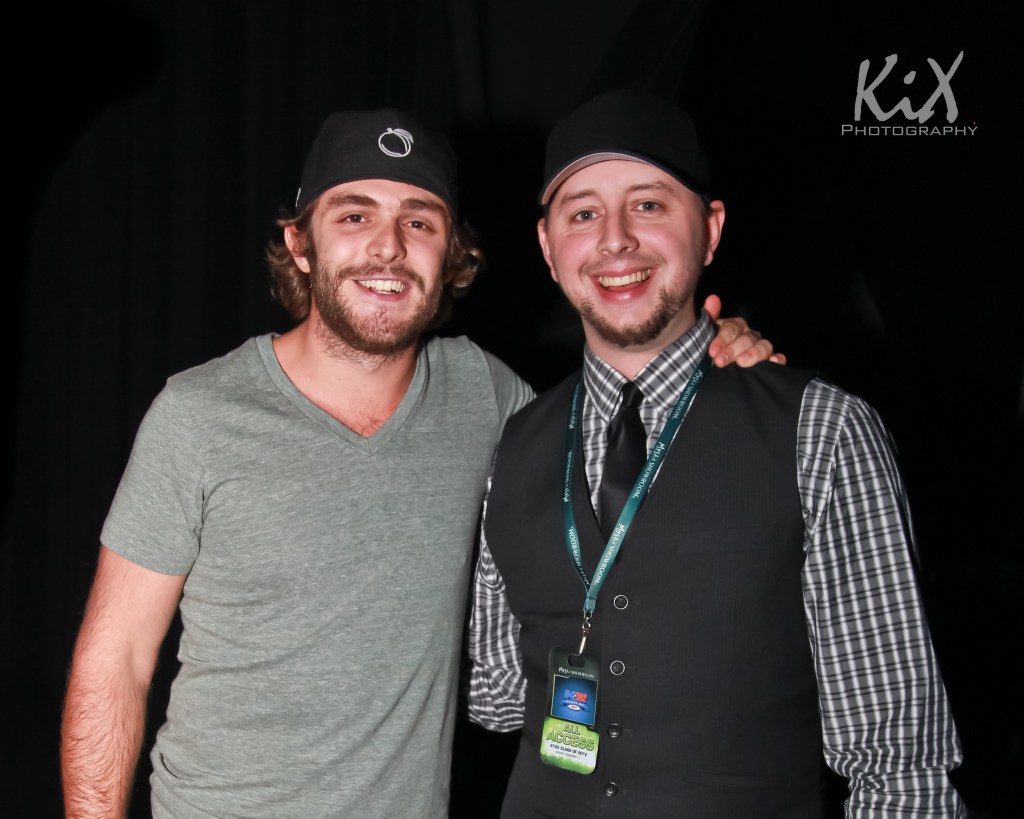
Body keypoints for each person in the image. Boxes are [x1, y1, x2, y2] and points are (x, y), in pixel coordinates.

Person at [59, 106, 777, 818]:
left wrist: (722, 354)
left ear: (452, 254)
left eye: (420, 222)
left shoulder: (489, 397)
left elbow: (628, 424)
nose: (388, 247)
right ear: (300, 244)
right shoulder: (198, 415)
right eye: (354, 216)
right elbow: (114, 659)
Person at [466, 89, 965, 817]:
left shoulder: (822, 429)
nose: (615, 240)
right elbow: (498, 697)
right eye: (583, 214)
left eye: (649, 205)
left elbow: (900, 767)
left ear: (710, 229)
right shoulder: (512, 442)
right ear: (548, 248)